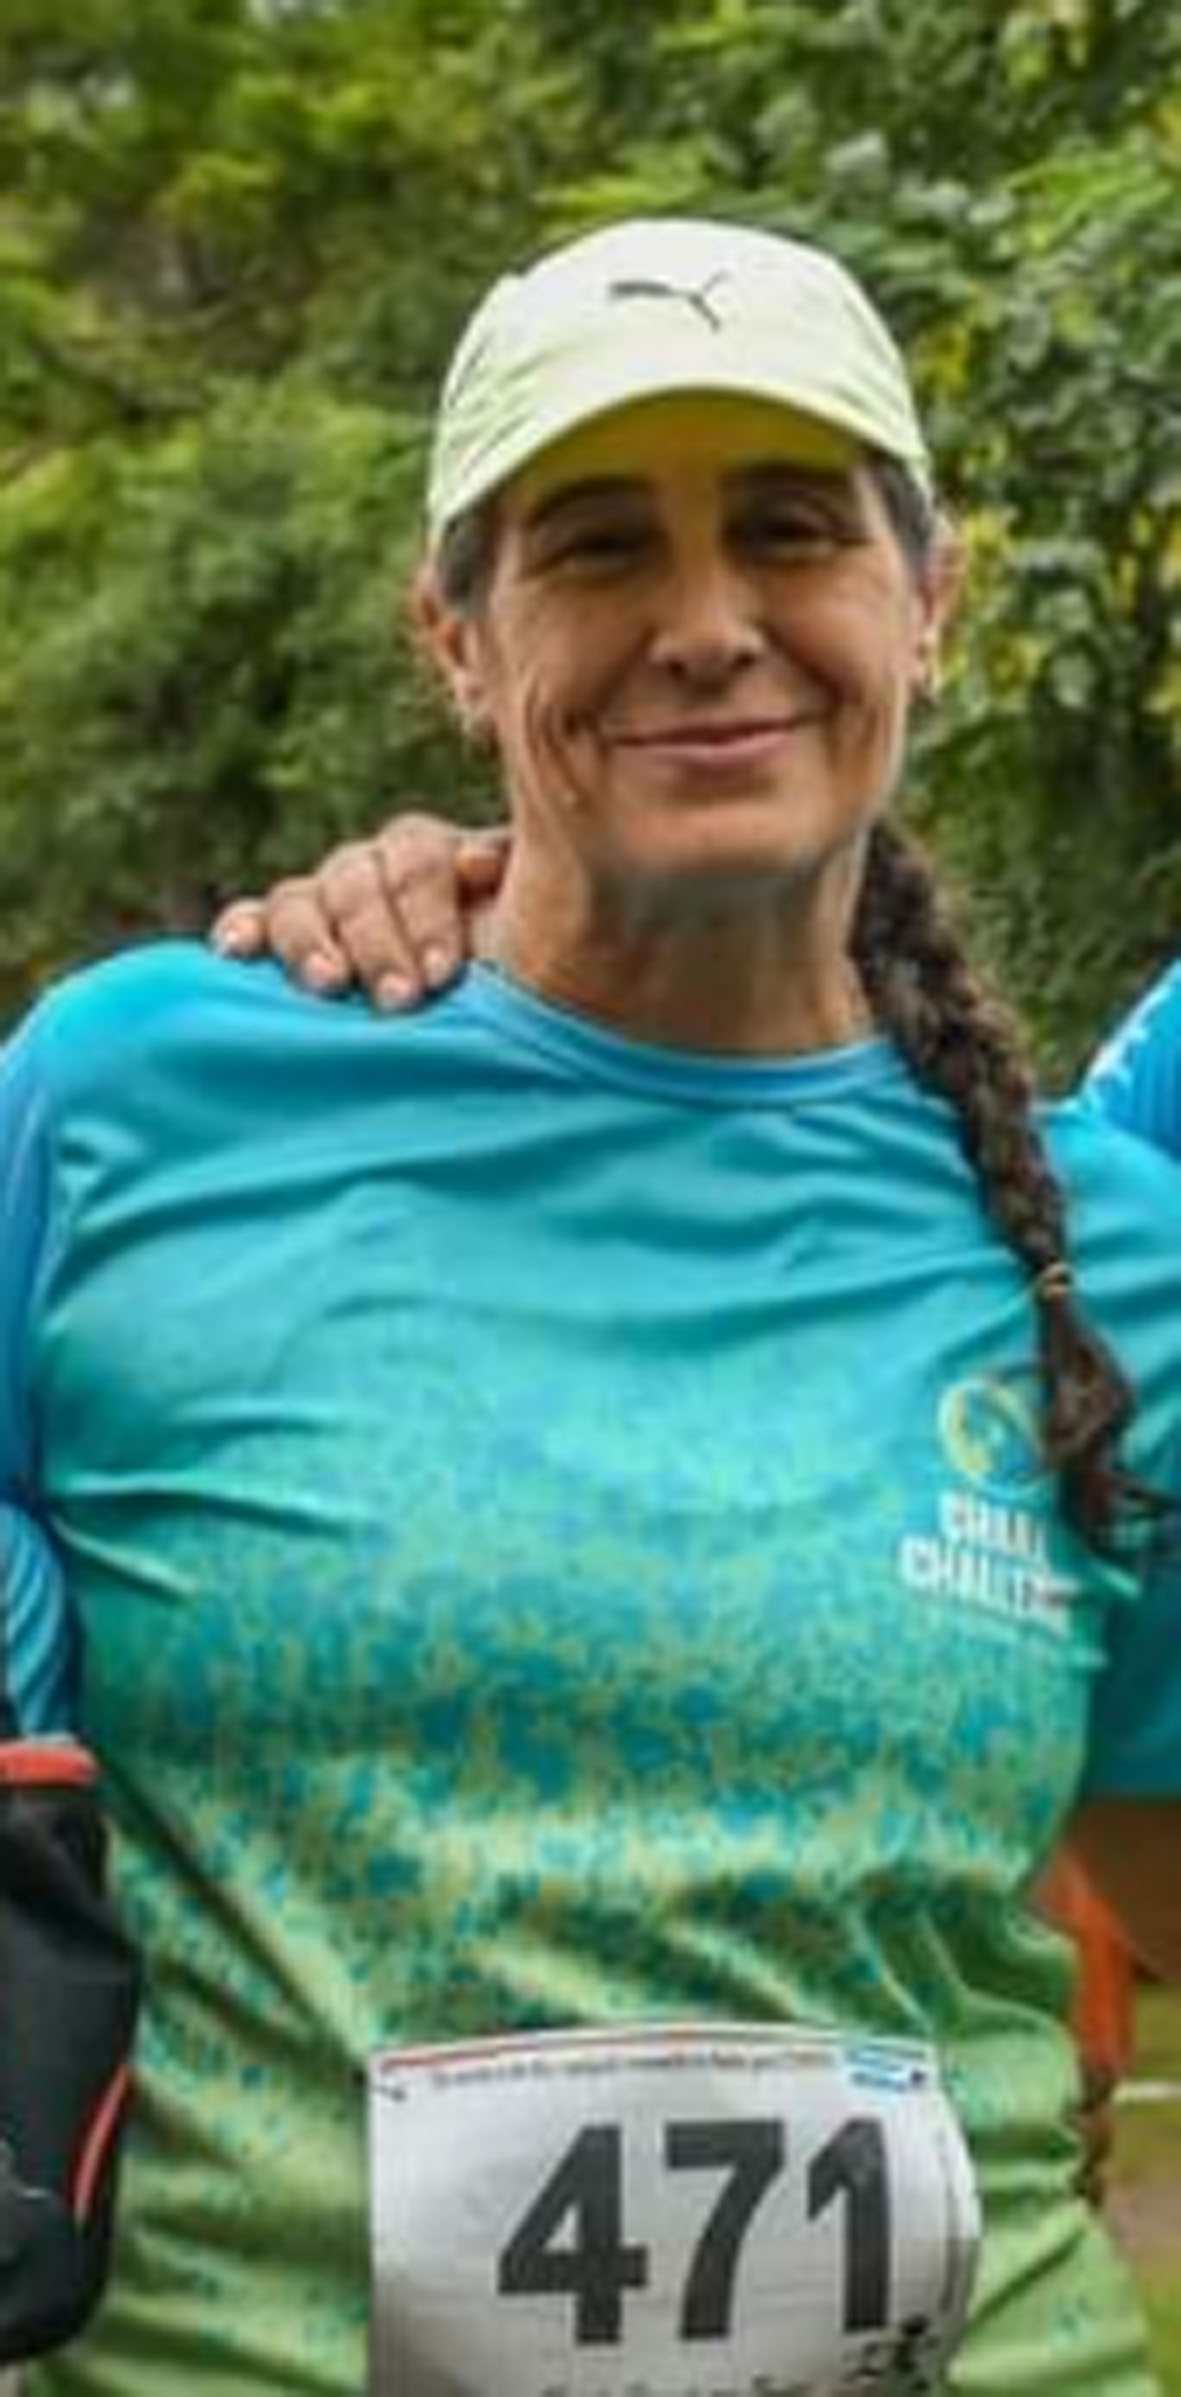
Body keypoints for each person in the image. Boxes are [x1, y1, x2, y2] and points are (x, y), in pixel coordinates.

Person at [4, 214, 1181, 2397]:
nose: (708, 625)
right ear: (455, 638)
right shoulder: (131, 1101)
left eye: (793, 532)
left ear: (930, 603)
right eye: (601, 546)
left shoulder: (1112, 1259)